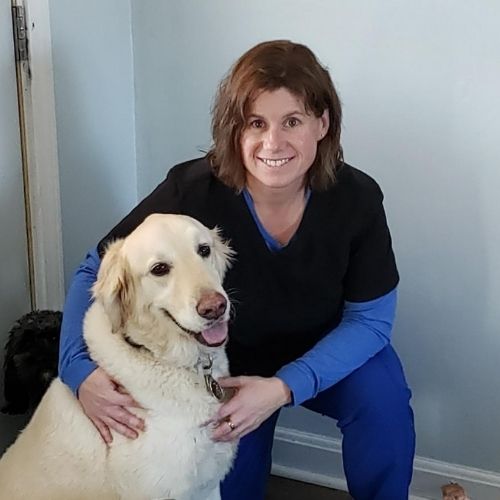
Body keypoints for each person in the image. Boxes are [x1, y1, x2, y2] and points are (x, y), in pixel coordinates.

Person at [59, 40, 415, 500]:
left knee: (383, 401)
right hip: (226, 363)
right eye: (256, 123)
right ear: (235, 130)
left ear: (322, 124)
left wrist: (283, 388)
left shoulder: (358, 199)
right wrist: (75, 368)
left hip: (327, 351)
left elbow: (371, 321)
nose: (273, 143)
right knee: (230, 487)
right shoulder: (191, 191)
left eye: (293, 121)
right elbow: (97, 268)